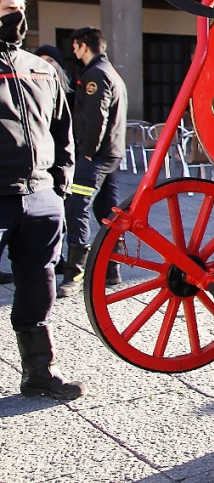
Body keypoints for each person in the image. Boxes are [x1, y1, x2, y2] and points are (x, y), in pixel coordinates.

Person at [0, 0, 82, 399]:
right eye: (2, 10)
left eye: (15, 9)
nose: (10, 18)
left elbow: (63, 130)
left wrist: (59, 186)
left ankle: (37, 373)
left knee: (39, 286)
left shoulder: (40, 69)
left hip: (40, 196)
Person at [58, 27, 127, 298]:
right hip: (112, 153)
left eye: (75, 48)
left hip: (95, 156)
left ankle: (74, 274)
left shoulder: (96, 75)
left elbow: (97, 114)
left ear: (82, 45)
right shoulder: (111, 71)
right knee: (107, 212)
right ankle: (112, 270)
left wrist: (86, 151)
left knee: (77, 207)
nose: (73, 53)